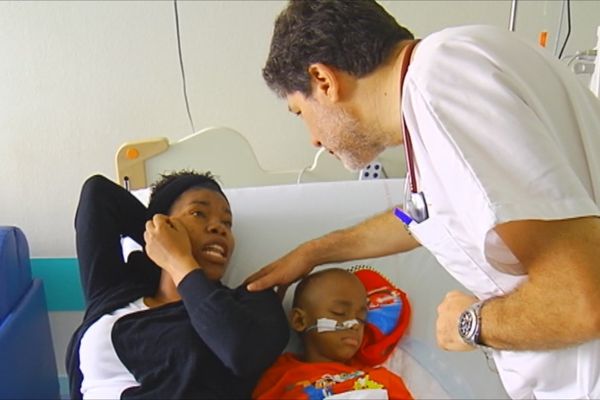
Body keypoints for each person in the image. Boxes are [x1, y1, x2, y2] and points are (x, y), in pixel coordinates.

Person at [246, 0, 600, 398]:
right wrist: (314, 252)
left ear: (323, 81)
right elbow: (419, 215)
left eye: (299, 111)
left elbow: (582, 300)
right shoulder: (449, 77)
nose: (313, 138)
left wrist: (473, 323)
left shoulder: (442, 89)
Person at [65, 172, 289, 399]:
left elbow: (240, 353)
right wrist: (157, 240)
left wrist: (179, 262)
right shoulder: (115, 290)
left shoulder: (252, 302)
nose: (219, 228)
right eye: (198, 213)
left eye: (227, 223)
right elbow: (98, 194)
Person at [252, 268, 413, 400]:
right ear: (300, 320)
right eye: (340, 312)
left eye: (361, 318)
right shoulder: (279, 377)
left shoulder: (381, 379)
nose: (354, 324)